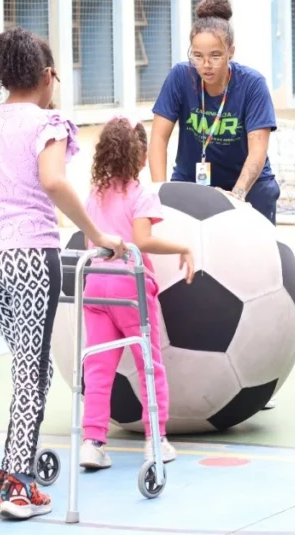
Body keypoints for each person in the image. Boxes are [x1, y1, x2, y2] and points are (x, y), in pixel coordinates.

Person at [0, 26, 126, 521]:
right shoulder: (47, 123)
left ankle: (14, 470)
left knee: (24, 365)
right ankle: (15, 483)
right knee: (31, 371)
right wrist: (96, 234)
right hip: (33, 256)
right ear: (48, 76)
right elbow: (54, 181)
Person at [78, 116, 195, 471]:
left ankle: (92, 442)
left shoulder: (94, 195)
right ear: (140, 158)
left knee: (98, 366)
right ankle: (155, 440)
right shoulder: (140, 194)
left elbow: (91, 242)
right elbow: (141, 241)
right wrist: (182, 248)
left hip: (95, 286)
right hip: (130, 288)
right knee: (149, 364)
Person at [149, 0, 280, 224]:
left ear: (231, 51)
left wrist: (238, 195)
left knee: (246, 256)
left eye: (216, 56)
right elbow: (158, 138)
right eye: (197, 56)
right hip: (192, 181)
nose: (206, 65)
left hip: (248, 187)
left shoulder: (252, 85)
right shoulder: (181, 77)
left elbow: (257, 150)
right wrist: (160, 192)